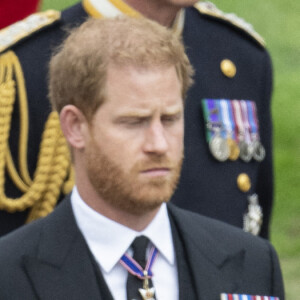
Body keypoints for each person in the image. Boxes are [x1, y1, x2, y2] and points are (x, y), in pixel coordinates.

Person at [0, 17, 284, 300]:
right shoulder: (10, 275)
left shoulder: (252, 262)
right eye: (134, 122)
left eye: (170, 119)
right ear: (75, 126)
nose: (159, 144)